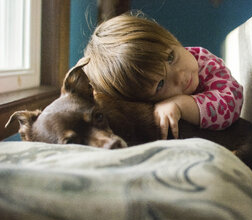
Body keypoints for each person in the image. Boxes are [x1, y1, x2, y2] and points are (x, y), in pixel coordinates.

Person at [83, 12, 243, 139]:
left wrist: (181, 104)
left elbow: (233, 100)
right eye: (160, 84)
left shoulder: (203, 61)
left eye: (171, 57)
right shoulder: (146, 111)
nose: (180, 77)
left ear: (169, 37)